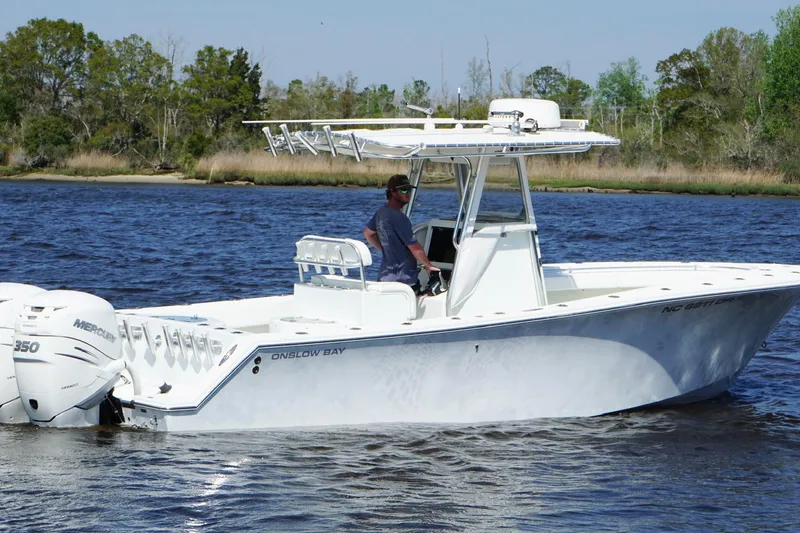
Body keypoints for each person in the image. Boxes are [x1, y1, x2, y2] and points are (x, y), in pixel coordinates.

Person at [363, 174, 440, 291]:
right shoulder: (400, 218)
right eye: (404, 190)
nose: (408, 193)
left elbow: (368, 234)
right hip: (403, 282)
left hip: (384, 279)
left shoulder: (381, 212)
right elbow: (415, 248)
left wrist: (386, 249)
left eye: (409, 190)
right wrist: (429, 266)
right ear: (393, 192)